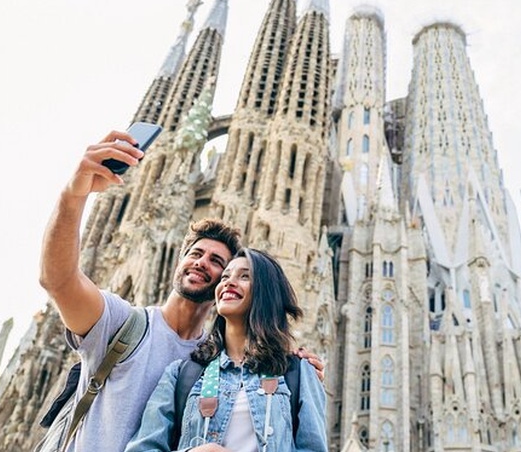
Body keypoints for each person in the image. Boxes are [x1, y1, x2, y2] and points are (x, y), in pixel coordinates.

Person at [40, 131, 324, 451]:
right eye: (195, 254)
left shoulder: (210, 363)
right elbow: (59, 281)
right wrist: (72, 195)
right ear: (179, 259)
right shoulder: (125, 325)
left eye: (218, 262)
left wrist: (293, 367)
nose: (201, 263)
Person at [126, 248, 328, 452]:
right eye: (225, 276)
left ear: (267, 292)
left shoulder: (300, 373)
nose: (229, 282)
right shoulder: (181, 374)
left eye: (245, 276)